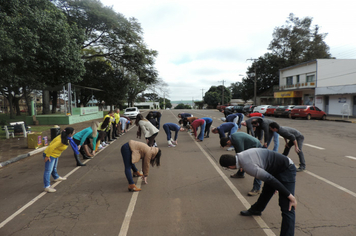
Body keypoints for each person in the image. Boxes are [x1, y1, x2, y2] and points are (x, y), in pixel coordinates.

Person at [219, 148, 297, 236]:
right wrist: (274, 185)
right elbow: (270, 178)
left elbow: (271, 180)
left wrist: (290, 196)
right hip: (274, 168)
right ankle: (256, 210)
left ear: (230, 167)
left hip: (287, 169)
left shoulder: (248, 166)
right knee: (266, 191)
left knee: (287, 205)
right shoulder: (241, 155)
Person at [43, 127, 76, 193]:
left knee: (54, 168)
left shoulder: (65, 137)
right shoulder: (60, 140)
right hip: (50, 155)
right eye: (73, 132)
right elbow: (51, 147)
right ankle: (47, 186)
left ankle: (56, 177)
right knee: (48, 171)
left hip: (55, 155)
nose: (74, 133)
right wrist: (47, 156)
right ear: (69, 134)